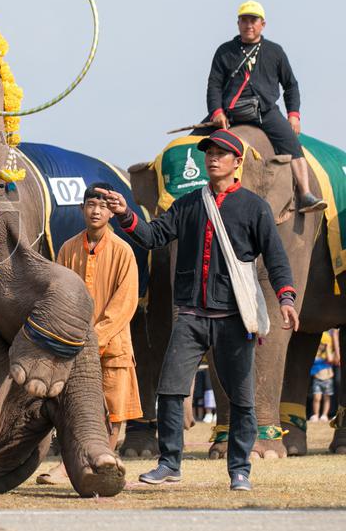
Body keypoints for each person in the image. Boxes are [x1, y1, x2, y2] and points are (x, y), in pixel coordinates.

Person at [98, 129, 300, 492]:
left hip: (234, 319)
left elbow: (276, 259)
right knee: (171, 390)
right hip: (190, 316)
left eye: (221, 154)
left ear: (237, 163)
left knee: (241, 397)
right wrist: (125, 214)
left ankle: (239, 469)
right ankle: (169, 463)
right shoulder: (188, 204)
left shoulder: (255, 208)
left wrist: (286, 298)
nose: (212, 158)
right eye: (209, 153)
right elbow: (152, 236)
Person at [38, 183, 142, 485]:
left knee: (113, 409)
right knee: (73, 406)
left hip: (113, 344)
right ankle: (69, 466)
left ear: (111, 212)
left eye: (103, 205)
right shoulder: (68, 249)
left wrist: (96, 337)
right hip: (74, 344)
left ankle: (104, 463)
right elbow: (57, 294)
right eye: (90, 204)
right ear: (82, 209)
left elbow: (125, 303)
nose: (96, 210)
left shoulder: (123, 252)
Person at [206, 0, 325, 213]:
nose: (248, 24)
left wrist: (294, 115)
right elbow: (214, 84)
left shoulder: (274, 51)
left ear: (263, 24)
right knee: (197, 140)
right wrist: (217, 111)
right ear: (238, 23)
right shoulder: (225, 51)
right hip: (231, 112)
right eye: (244, 20)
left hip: (266, 112)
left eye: (253, 20)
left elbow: (291, 86)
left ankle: (305, 194)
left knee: (291, 144)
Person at [310, 329, 339, 421]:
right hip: (317, 378)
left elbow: (330, 359)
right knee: (316, 398)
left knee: (327, 397)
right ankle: (316, 414)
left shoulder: (328, 352)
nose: (322, 346)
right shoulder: (316, 354)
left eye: (323, 344)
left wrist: (327, 348)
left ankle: (324, 415)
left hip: (328, 378)